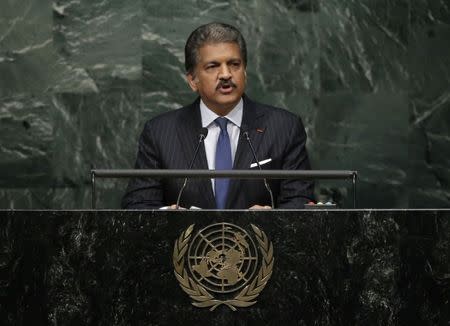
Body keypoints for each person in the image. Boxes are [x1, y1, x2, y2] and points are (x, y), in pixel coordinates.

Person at [121, 22, 314, 209]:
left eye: (234, 64)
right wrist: (168, 217)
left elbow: (300, 200)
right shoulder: (160, 133)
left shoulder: (284, 128)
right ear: (192, 80)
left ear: (245, 71)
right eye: (213, 66)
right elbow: (138, 204)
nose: (225, 74)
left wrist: (271, 220)